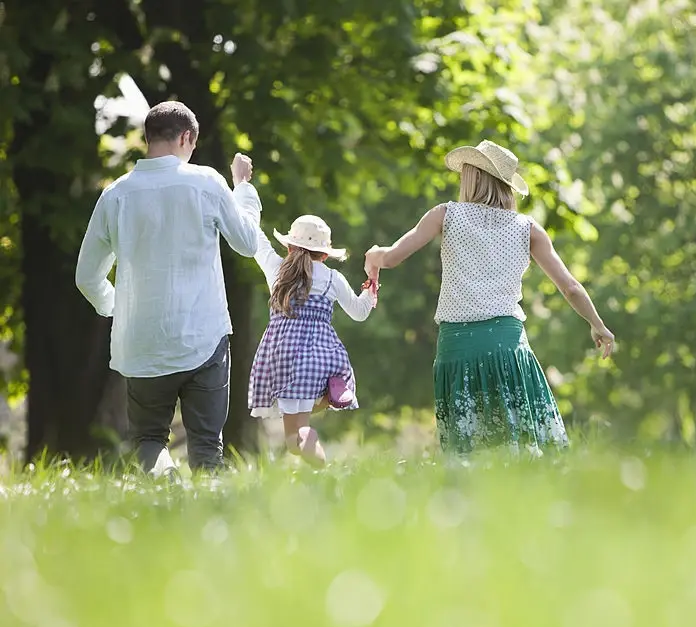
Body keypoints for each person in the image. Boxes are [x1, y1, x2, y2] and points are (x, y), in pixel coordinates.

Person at [364, 139, 615, 455]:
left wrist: (374, 257)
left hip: (458, 346)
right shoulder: (528, 229)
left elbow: (392, 257)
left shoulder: (445, 215)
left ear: (473, 176)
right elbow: (570, 287)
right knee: (520, 448)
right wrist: (597, 324)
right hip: (507, 347)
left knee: (470, 453)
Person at [75, 100, 263, 477]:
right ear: (187, 137)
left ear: (147, 138)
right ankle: (207, 521)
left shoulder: (115, 194)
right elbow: (247, 242)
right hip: (202, 336)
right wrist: (243, 187)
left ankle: (168, 490)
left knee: (148, 440)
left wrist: (116, 306)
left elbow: (86, 277)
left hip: (140, 341)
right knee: (207, 443)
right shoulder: (207, 182)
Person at [248, 215, 377, 467]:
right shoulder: (332, 278)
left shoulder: (277, 270)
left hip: (283, 357)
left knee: (294, 441)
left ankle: (322, 465)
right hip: (320, 357)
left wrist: (242, 190)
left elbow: (256, 239)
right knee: (299, 430)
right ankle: (329, 395)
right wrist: (371, 286)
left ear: (289, 247)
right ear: (325, 255)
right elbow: (360, 313)